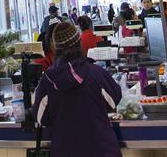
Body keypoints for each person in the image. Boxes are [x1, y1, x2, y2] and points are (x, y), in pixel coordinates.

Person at [34, 22, 122, 157]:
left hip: (65, 149)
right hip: (101, 148)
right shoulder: (96, 73)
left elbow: (41, 118)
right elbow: (114, 100)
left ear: (54, 46)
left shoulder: (48, 81)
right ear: (79, 42)